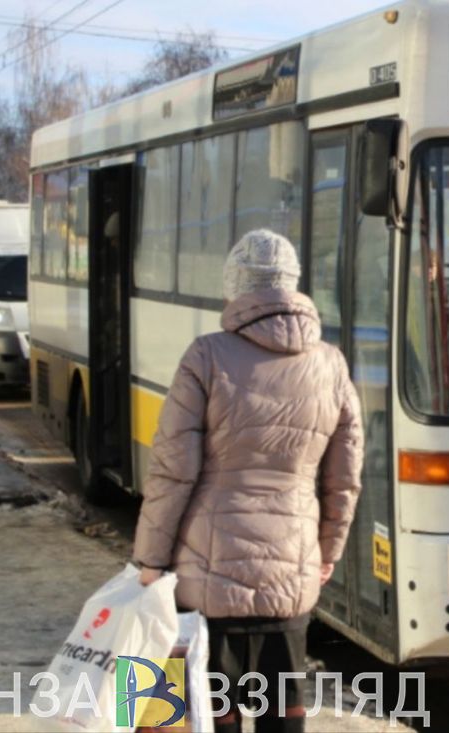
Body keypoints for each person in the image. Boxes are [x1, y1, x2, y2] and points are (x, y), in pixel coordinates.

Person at [133, 229, 364, 733]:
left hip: (208, 577)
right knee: (282, 710)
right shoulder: (331, 364)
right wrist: (327, 551)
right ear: (292, 286)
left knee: (215, 711)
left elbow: (173, 471)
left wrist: (150, 560)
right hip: (291, 576)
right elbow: (344, 478)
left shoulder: (206, 356)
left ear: (236, 289)